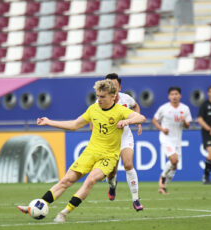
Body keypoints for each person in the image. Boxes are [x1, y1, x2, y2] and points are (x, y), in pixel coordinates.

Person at [17, 79, 146, 222]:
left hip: (108, 157)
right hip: (90, 152)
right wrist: (49, 122)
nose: (99, 99)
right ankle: (38, 205)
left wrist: (127, 121)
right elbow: (74, 125)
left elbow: (141, 117)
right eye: (97, 96)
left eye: (102, 97)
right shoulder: (93, 109)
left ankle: (64, 213)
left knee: (90, 180)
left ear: (113, 96)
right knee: (66, 180)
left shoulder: (120, 111)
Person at [104, 73, 143, 211]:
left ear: (119, 87)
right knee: (111, 173)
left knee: (128, 164)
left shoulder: (126, 99)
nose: (111, 87)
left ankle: (135, 199)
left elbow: (136, 106)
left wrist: (137, 122)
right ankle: (113, 185)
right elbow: (93, 122)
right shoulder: (100, 102)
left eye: (114, 85)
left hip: (125, 136)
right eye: (108, 85)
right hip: (110, 141)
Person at [152, 86, 192, 194]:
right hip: (166, 138)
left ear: (180, 95)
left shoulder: (185, 109)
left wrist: (184, 122)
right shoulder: (164, 108)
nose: (174, 96)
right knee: (174, 160)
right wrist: (161, 129)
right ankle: (163, 177)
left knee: (175, 165)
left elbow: (188, 126)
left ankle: (163, 184)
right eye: (172, 94)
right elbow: (155, 120)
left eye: (176, 94)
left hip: (177, 140)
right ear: (169, 96)